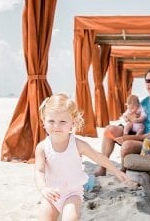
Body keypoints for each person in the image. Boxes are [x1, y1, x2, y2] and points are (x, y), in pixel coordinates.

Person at [34, 93, 133, 221]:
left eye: (62, 121)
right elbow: (39, 170)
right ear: (44, 121)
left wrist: (116, 171)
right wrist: (43, 188)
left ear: (72, 122)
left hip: (72, 193)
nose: (56, 126)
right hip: (51, 194)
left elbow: (99, 157)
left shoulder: (78, 145)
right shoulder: (42, 147)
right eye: (51, 121)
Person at [94, 68, 150, 177]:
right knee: (110, 130)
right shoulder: (145, 101)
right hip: (137, 132)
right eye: (148, 81)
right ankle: (102, 167)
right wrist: (129, 118)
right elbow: (134, 116)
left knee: (127, 145)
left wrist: (129, 138)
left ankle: (123, 171)